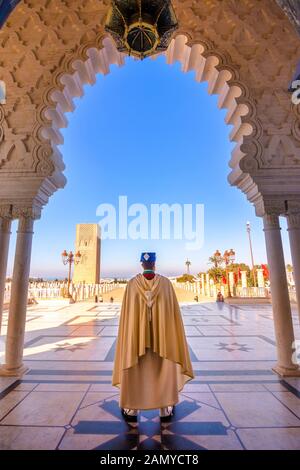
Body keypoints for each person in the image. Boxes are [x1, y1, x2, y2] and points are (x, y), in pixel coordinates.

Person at [112, 252, 194, 422]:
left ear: (141, 264)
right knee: (163, 369)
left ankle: (132, 409)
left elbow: (128, 317)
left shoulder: (132, 285)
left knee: (135, 371)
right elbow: (173, 314)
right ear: (154, 264)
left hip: (137, 341)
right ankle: (164, 409)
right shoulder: (165, 284)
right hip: (163, 339)